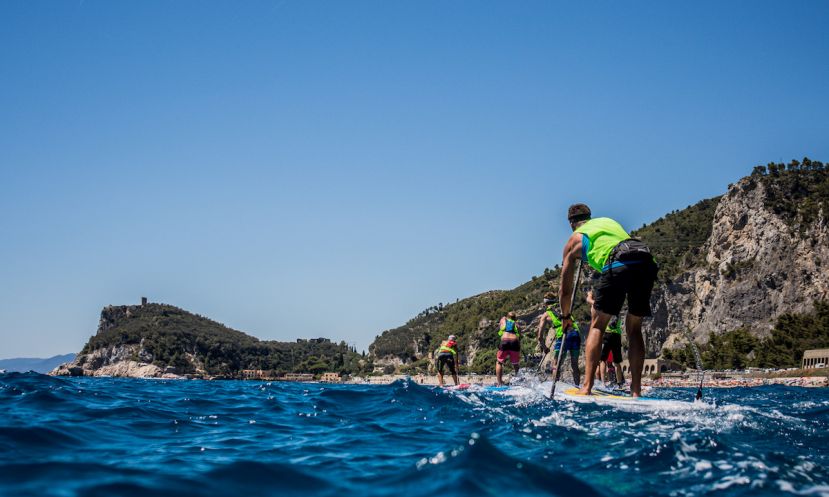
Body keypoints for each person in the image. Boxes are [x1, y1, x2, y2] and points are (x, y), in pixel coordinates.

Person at [558, 203, 658, 397]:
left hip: (618, 261)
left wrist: (565, 316)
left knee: (598, 326)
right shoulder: (607, 221)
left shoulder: (573, 241)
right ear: (590, 217)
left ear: (571, 223)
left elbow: (565, 289)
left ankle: (586, 388)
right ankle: (636, 391)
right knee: (634, 327)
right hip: (646, 260)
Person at [536, 292, 580, 385]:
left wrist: (544, 348)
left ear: (545, 303)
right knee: (575, 364)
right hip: (576, 334)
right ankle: (578, 386)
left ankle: (555, 386)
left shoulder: (546, 314)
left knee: (556, 364)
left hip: (564, 336)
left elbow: (539, 336)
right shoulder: (564, 308)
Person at [586, 290, 625, 388]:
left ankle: (603, 383)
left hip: (607, 334)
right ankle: (620, 384)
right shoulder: (617, 307)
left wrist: (590, 295)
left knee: (602, 360)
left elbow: (589, 301)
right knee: (617, 362)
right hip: (617, 336)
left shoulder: (604, 306)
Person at [496, 312, 520, 386]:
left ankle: (500, 383)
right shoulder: (517, 324)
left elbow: (500, 328)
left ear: (507, 316)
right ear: (515, 318)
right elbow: (520, 337)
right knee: (515, 364)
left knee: (499, 362)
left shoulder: (503, 319)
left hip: (505, 341)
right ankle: (518, 381)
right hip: (514, 342)